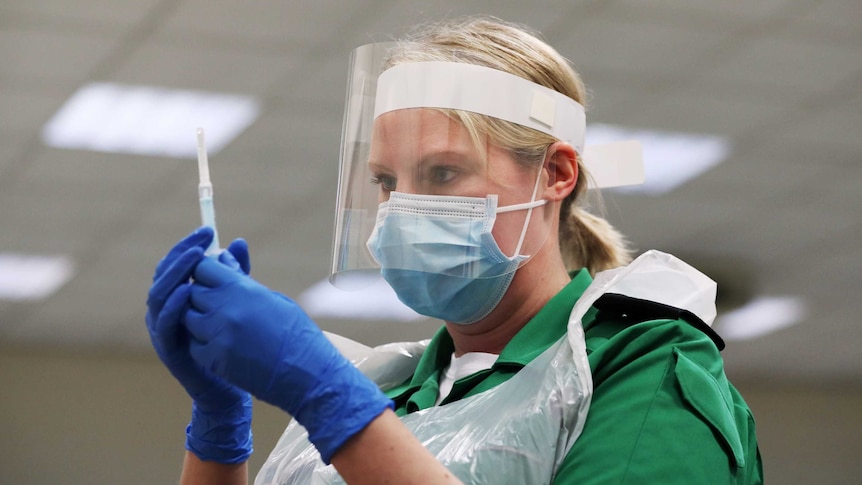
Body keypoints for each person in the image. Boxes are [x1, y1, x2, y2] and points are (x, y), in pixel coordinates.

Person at [145, 16, 763, 485]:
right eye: (387, 183)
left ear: (555, 174)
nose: (402, 210)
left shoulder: (638, 365)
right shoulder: (390, 389)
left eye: (442, 174)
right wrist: (218, 429)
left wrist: (330, 403)